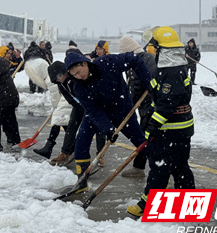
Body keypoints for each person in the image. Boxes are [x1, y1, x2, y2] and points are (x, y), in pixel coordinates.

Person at [127, 26, 195, 218]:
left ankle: (147, 204)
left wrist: (151, 128)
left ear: (161, 49)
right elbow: (161, 90)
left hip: (170, 129)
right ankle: (187, 204)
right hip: (181, 128)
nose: (151, 51)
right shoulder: (173, 68)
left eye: (154, 47)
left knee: (160, 167)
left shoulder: (171, 72)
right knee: (180, 166)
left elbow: (166, 104)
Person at [64, 47, 152, 193]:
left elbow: (134, 59)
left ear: (84, 64)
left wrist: (148, 81)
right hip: (99, 113)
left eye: (79, 72)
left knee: (141, 142)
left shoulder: (107, 63)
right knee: (82, 139)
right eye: (74, 75)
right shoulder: (78, 86)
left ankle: (162, 169)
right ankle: (81, 181)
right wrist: (108, 129)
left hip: (123, 111)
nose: (78, 76)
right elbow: (93, 111)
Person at [118, 36, 157, 177]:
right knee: (146, 136)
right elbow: (132, 86)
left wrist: (130, 105)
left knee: (146, 136)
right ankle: (141, 167)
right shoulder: (135, 61)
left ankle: (146, 168)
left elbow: (142, 85)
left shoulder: (143, 60)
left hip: (151, 104)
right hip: (145, 104)